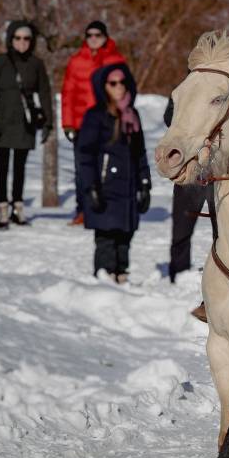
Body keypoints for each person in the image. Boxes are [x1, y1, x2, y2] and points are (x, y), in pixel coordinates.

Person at [76, 63, 151, 283]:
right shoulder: (96, 115)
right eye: (113, 83)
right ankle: (104, 277)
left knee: (125, 234)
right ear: (104, 86)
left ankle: (121, 275)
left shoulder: (132, 114)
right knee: (106, 235)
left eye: (122, 82)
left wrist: (145, 183)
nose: (119, 87)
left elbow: (140, 153)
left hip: (128, 187)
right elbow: (85, 155)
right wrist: (90, 187)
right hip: (104, 186)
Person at [0, 20, 53, 230]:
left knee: (20, 167)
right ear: (11, 39)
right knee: (2, 167)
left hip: (25, 122)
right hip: (1, 122)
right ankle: (3, 208)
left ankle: (18, 207)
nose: (22, 42)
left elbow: (45, 93)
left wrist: (48, 122)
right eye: (18, 38)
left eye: (27, 38)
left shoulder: (36, 64)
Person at [62, 21, 127, 226]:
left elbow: (125, 92)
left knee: (106, 167)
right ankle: (83, 210)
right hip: (82, 124)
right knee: (83, 167)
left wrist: (122, 117)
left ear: (105, 36)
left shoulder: (115, 59)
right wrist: (68, 124)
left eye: (97, 35)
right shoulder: (75, 61)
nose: (93, 39)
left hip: (108, 123)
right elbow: (68, 94)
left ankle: (103, 207)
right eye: (89, 35)